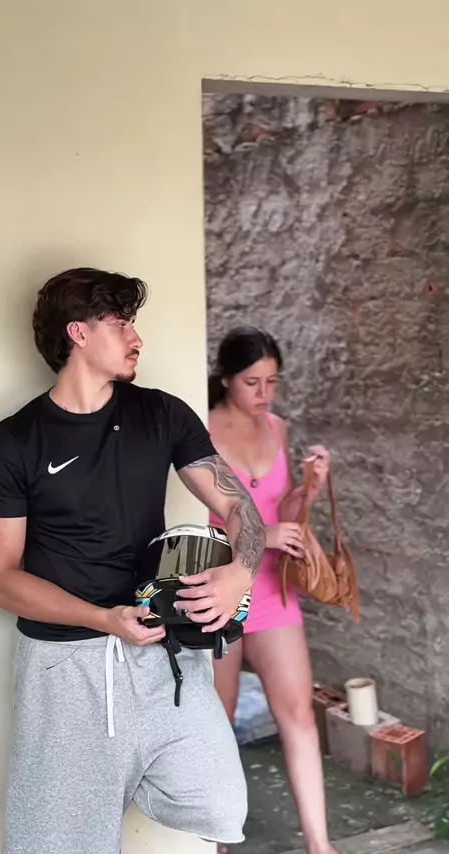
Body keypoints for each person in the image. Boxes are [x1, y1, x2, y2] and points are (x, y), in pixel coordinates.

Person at [0, 268, 266, 854]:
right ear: (78, 332)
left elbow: (241, 509)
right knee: (57, 845)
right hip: (65, 668)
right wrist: (105, 619)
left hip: (160, 652)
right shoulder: (15, 441)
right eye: (120, 323)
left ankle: (110, 779)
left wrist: (241, 572)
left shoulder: (162, 414)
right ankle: (92, 788)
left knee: (220, 801)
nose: (136, 337)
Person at [208, 327, 336, 854]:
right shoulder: (201, 431)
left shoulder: (278, 428)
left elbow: (282, 507)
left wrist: (309, 489)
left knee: (298, 713)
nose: (264, 394)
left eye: (272, 382)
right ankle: (214, 843)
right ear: (225, 380)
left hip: (273, 587)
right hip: (221, 588)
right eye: (252, 383)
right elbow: (201, 524)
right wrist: (263, 535)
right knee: (218, 720)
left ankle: (319, 844)